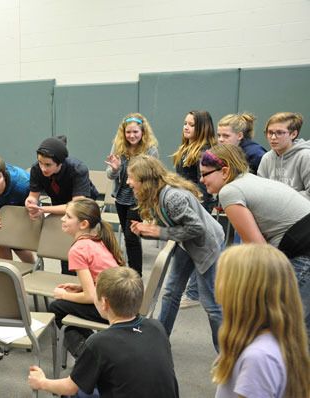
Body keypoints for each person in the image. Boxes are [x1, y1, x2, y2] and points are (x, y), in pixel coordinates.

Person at [199, 143, 310, 332]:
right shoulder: (248, 179)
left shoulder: (230, 191)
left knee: (290, 328)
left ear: (224, 171)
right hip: (300, 245)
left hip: (302, 251)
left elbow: (259, 251)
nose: (201, 180)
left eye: (205, 174)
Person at [28, 267, 179, 398]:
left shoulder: (99, 343)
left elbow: (69, 386)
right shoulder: (157, 327)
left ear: (105, 303)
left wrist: (42, 382)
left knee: (75, 392)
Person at [127, 155, 223, 351]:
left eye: (131, 178)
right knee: (171, 293)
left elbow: (197, 229)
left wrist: (158, 231)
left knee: (211, 305)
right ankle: (159, 341)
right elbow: (173, 227)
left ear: (145, 180)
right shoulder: (156, 195)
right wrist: (148, 230)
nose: (128, 182)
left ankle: (227, 354)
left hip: (206, 245)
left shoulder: (172, 197)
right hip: (186, 244)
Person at [213, 244, 310, 398]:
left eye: (222, 278)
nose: (216, 287)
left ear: (242, 292)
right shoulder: (268, 344)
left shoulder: (258, 358)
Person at [49, 198, 125, 359]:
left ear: (83, 224)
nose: (63, 219)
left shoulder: (78, 249)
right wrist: (81, 287)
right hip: (122, 302)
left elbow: (91, 297)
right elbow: (100, 277)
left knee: (57, 307)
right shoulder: (96, 240)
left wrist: (64, 295)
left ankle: (87, 358)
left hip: (112, 310)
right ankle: (93, 348)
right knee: (65, 309)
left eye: (68, 217)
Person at [25, 137, 98, 274]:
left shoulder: (78, 169)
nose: (43, 168)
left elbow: (76, 207)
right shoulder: (36, 169)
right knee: (65, 250)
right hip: (60, 206)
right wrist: (30, 203)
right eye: (40, 162)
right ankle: (67, 289)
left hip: (84, 210)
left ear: (60, 163)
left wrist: (42, 209)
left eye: (48, 165)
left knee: (82, 250)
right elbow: (33, 195)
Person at [171, 110, 217, 309]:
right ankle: (193, 291)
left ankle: (194, 293)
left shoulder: (204, 152)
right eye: (185, 123)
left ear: (202, 128)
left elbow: (204, 185)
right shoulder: (186, 148)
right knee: (189, 249)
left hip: (196, 206)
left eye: (191, 124)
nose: (186, 127)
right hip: (186, 203)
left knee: (197, 250)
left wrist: (197, 207)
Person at [105, 113, 159, 276]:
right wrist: (115, 169)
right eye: (128, 132)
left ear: (142, 132)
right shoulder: (119, 147)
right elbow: (110, 174)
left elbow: (153, 176)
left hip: (139, 198)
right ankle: (131, 271)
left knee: (131, 236)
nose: (132, 135)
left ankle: (136, 274)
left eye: (135, 132)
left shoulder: (151, 149)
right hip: (121, 197)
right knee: (129, 235)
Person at [257, 112, 310, 200]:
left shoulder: (305, 156)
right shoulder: (267, 158)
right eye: (270, 132)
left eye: (279, 133)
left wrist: (282, 200)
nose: (273, 137)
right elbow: (261, 190)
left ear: (293, 134)